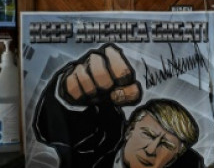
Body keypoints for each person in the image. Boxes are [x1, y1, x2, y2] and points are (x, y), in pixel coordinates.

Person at [33, 43, 204, 168]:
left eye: (166, 145)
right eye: (148, 134)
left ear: (176, 156)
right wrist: (70, 97)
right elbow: (70, 131)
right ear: (129, 130)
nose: (151, 150)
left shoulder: (190, 164)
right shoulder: (101, 145)